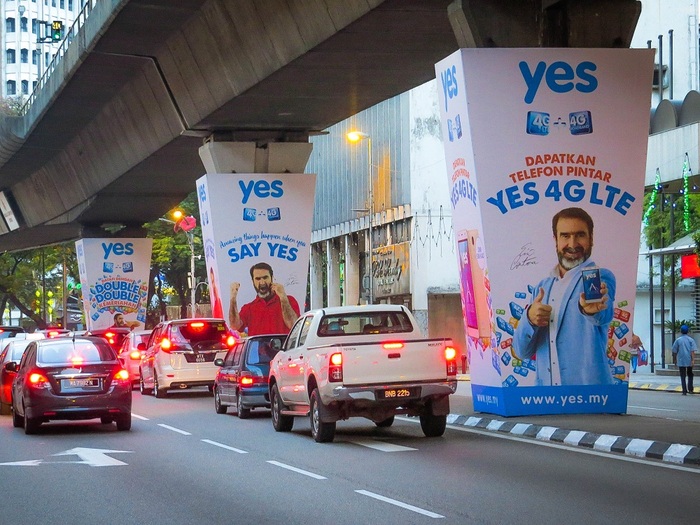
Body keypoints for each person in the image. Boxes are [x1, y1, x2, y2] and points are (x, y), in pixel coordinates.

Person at [513, 207, 616, 386]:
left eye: (580, 235)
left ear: (591, 239)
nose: (573, 243)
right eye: (565, 236)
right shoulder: (541, 288)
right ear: (556, 240)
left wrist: (589, 311)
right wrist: (529, 319)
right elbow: (522, 352)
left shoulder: (599, 277)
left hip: (589, 398)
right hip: (546, 400)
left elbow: (603, 315)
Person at [229, 262, 300, 336]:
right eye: (258, 279)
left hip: (285, 347)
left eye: (265, 277)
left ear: (272, 278)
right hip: (258, 347)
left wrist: (283, 298)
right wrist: (233, 299)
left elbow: (293, 325)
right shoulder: (249, 308)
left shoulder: (289, 300)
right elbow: (235, 326)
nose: (262, 282)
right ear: (253, 281)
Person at [671, 324, 696, 395]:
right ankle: (690, 389)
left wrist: (675, 360)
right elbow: (692, 351)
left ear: (681, 331)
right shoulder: (691, 340)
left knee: (682, 375)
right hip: (689, 359)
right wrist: (693, 360)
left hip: (681, 360)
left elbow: (674, 351)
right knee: (690, 374)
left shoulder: (678, 340)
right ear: (688, 331)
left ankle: (684, 390)